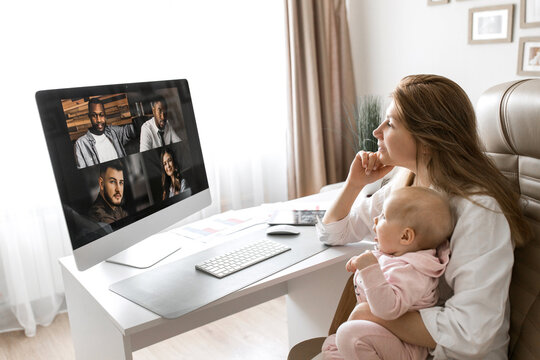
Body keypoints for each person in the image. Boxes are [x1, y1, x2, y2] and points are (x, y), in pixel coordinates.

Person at [317, 74, 530, 359]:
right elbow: (334, 232)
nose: (377, 132)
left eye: (390, 124)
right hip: (397, 341)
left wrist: (373, 315)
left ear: (428, 141)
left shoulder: (478, 209)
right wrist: (354, 185)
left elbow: (471, 333)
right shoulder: (405, 185)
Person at [322, 186, 453, 359]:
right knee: (332, 344)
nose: (376, 219)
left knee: (349, 335)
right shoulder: (398, 256)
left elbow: (387, 310)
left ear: (405, 237)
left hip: (404, 347)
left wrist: (370, 268)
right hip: (382, 336)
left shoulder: (413, 272)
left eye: (384, 217)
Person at [74, 98, 135, 169]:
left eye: (101, 115)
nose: (99, 120)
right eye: (94, 115)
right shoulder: (81, 144)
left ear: (105, 115)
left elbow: (132, 130)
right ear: (89, 117)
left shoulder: (114, 132)